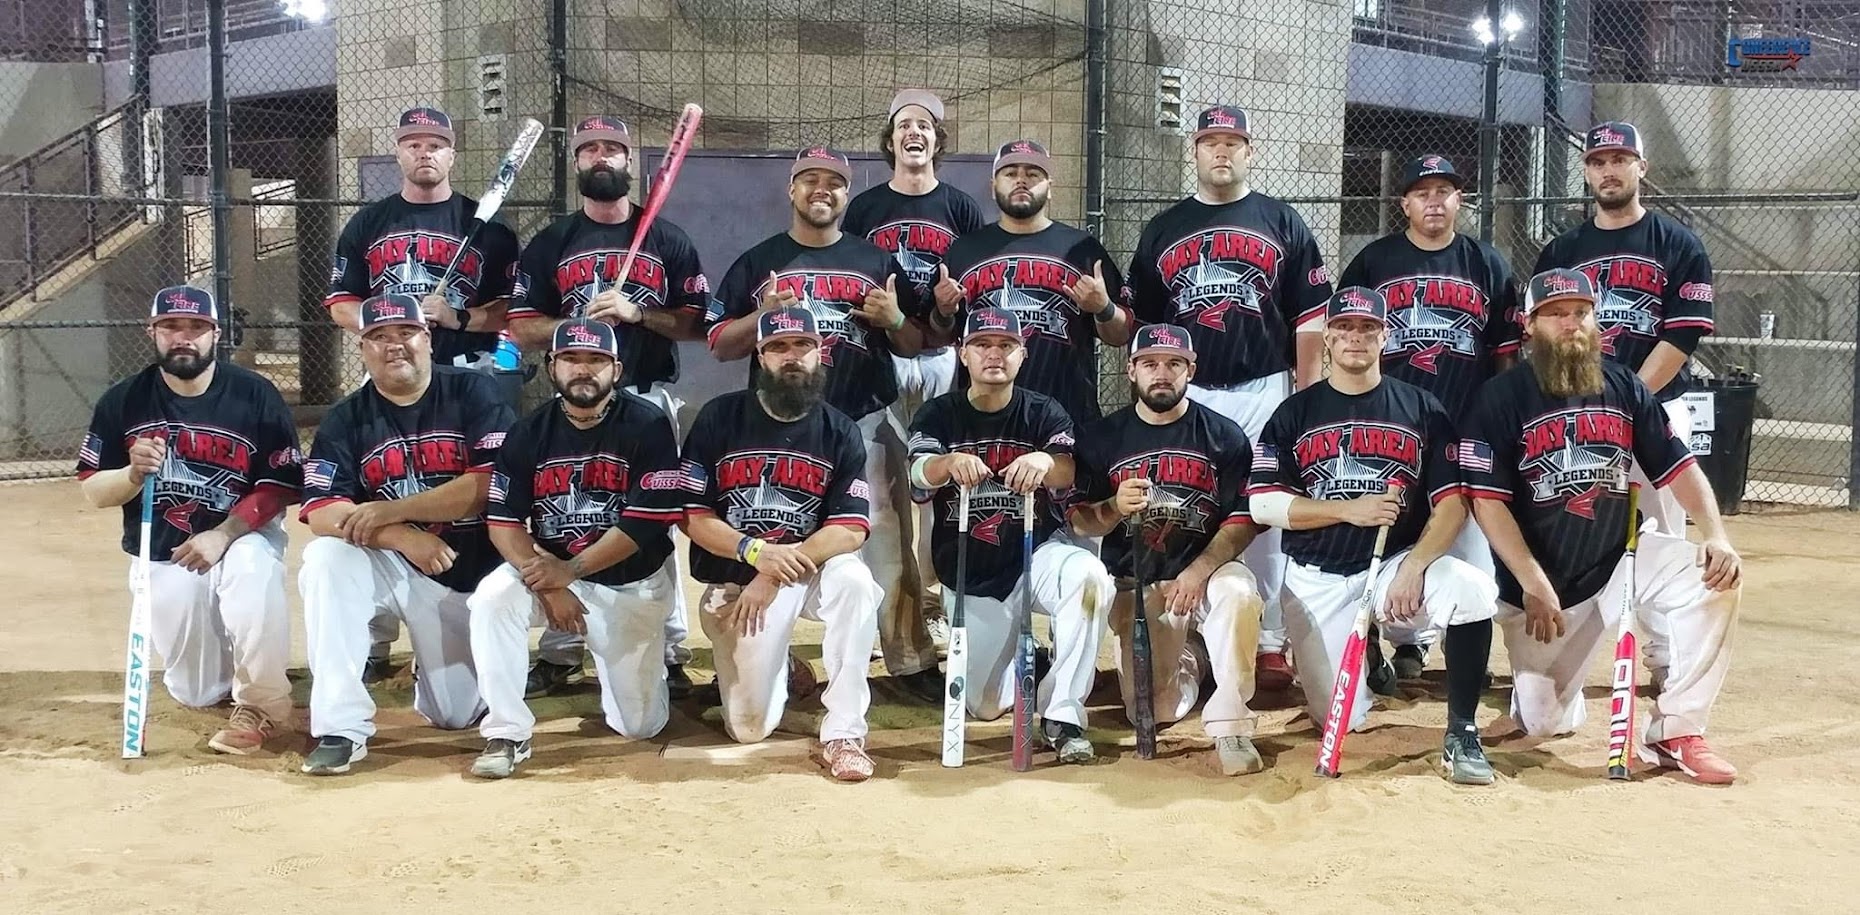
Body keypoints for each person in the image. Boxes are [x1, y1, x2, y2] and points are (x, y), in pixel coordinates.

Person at [1464, 268, 1742, 785]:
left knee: (1714, 579)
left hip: (1622, 559)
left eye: (1581, 312)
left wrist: (1715, 534)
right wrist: (1532, 581)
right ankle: (1542, 698)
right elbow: (1488, 503)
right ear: (1529, 325)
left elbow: (1678, 466)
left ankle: (1677, 730)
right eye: (1555, 314)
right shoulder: (1499, 398)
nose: (1571, 323)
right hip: (1545, 588)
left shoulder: (1623, 386)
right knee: (1545, 723)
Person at [706, 147, 935, 703]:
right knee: (770, 531)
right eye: (809, 179)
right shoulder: (760, 261)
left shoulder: (874, 259)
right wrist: (762, 315)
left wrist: (895, 319)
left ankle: (908, 659)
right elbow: (718, 343)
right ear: (792, 189)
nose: (821, 190)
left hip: (863, 418)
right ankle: (767, 656)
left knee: (886, 545)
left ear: (846, 194)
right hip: (778, 428)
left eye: (833, 182)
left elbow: (915, 341)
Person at [1249, 287, 1501, 785]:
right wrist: (1350, 510)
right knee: (1340, 718)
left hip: (1390, 566)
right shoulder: (1294, 413)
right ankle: (1364, 651)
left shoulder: (1421, 408)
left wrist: (1415, 566)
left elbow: (1453, 502)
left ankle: (1462, 732)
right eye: (1344, 328)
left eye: (1368, 329)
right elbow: (1264, 504)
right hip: (1317, 578)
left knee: (1470, 588)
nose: (1356, 338)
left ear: (1385, 337)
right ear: (1327, 338)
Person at [1127, 105, 1335, 691]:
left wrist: (1306, 396)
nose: (1222, 150)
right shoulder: (1164, 228)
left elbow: (1310, 319)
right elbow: (1143, 325)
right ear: (1194, 151)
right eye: (1210, 141)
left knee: (1264, 506)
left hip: (1264, 387)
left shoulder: (1282, 220)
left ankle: (1268, 641)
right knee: (1186, 501)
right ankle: (1190, 631)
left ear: (1249, 152)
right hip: (1187, 392)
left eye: (1233, 141)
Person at [504, 115, 707, 700]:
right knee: (563, 512)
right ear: (577, 163)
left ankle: (668, 649)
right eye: (589, 149)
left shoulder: (666, 239)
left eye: (612, 149)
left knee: (651, 519)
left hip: (644, 399)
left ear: (629, 162)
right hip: (576, 395)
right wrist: (576, 329)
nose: (600, 157)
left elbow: (697, 324)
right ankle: (562, 650)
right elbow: (520, 326)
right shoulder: (553, 242)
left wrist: (638, 313)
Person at [323, 106, 522, 682]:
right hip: (393, 370)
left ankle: (467, 608)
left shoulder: (489, 229)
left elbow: (511, 310)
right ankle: (373, 636)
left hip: (467, 373)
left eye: (435, 143)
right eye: (413, 143)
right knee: (373, 483)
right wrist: (394, 322)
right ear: (399, 153)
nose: (424, 152)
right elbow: (340, 303)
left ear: (451, 154)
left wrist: (457, 315)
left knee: (474, 486)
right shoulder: (369, 223)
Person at [296, 293, 517, 776]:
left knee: (454, 714)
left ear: (428, 339)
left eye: (406, 333)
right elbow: (321, 510)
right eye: (378, 336)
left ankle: (429, 665)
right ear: (362, 349)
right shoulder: (346, 417)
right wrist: (400, 535)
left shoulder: (474, 393)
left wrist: (390, 511)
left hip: (472, 577)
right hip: (399, 567)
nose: (394, 345)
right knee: (326, 559)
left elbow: (487, 486)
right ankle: (340, 727)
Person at [76, 285, 301, 755]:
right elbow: (94, 490)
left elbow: (281, 485)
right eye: (171, 326)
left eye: (196, 327)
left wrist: (223, 535)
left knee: (252, 568)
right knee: (196, 692)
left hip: (239, 535)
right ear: (152, 333)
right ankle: (234, 664)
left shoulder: (254, 394)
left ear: (216, 333)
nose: (184, 337)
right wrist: (132, 474)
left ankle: (262, 703)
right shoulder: (123, 401)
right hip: (164, 549)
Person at [466, 319, 684, 779]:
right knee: (493, 598)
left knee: (638, 727)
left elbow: (643, 523)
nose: (583, 369)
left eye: (596, 360)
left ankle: (646, 673)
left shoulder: (647, 425)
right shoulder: (528, 431)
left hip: (627, 583)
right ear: (552, 367)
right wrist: (548, 582)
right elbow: (503, 522)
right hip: (551, 570)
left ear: (616, 370)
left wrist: (573, 570)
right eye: (571, 359)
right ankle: (506, 731)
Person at [1337, 154, 1522, 682]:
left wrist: (1499, 421)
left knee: (1469, 546)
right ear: (1405, 204)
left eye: (1444, 191)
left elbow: (1505, 355)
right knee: (1386, 531)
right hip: (1387, 427)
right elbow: (1347, 339)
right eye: (1422, 193)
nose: (1434, 201)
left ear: (1460, 200)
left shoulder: (1487, 264)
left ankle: (1458, 645)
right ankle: (1391, 641)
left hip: (1464, 426)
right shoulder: (1374, 261)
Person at [680, 306, 884, 782]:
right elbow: (692, 516)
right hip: (739, 579)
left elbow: (850, 529)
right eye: (778, 347)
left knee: (855, 582)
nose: (791, 356)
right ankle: (783, 665)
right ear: (760, 356)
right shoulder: (719, 417)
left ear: (820, 353)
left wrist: (774, 570)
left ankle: (844, 732)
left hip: (807, 571)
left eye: (802, 346)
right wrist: (755, 553)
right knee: (749, 728)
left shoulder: (840, 429)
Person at [907, 307, 1111, 764]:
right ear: (963, 354)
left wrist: (1045, 461)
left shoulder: (1043, 410)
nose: (994, 354)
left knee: (1090, 579)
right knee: (984, 704)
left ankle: (1063, 714)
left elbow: (1066, 470)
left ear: (1023, 354)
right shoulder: (939, 413)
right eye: (982, 344)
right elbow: (918, 473)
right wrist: (947, 463)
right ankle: (1034, 660)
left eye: (1006, 345)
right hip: (971, 569)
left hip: (1036, 553)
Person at [1068, 324, 1268, 775]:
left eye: (1174, 363)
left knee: (1239, 593)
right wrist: (1113, 507)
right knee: (1156, 711)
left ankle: (1232, 724)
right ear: (1131, 370)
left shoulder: (1223, 436)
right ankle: (1197, 656)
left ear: (1190, 370)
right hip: (1139, 582)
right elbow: (1080, 520)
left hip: (1208, 574)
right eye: (1150, 363)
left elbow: (1244, 519)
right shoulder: (1102, 437)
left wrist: (1198, 571)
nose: (1162, 373)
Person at [841, 88, 988, 659]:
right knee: (884, 492)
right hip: (881, 359)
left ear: (936, 140)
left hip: (941, 357)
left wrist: (948, 311)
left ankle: (932, 603)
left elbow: (966, 291)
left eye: (924, 125)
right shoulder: (865, 209)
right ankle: (889, 613)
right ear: (892, 139)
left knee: (933, 485)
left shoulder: (960, 208)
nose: (914, 132)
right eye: (904, 124)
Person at [1534, 121, 1716, 535]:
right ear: (1586, 172)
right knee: (1583, 527)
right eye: (1598, 163)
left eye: (1619, 160)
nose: (1608, 171)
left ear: (1642, 167)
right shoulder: (1561, 251)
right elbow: (1544, 336)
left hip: (1656, 405)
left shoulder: (1678, 243)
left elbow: (1681, 337)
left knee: (1660, 532)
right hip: (1578, 409)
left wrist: (1629, 400)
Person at [932, 138, 1133, 427]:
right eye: (1010, 173)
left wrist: (1103, 308)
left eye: (1033, 173)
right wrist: (943, 312)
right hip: (983, 418)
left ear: (1049, 188)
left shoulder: (1082, 249)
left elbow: (1121, 334)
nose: (1021, 180)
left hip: (1068, 414)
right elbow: (939, 336)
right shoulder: (964, 251)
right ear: (993, 186)